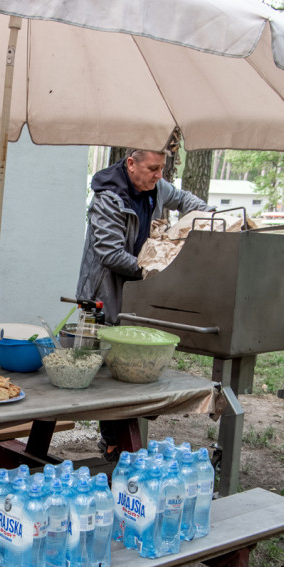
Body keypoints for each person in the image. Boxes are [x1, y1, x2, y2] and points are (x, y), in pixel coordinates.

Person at [75, 148, 212, 460]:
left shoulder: (157, 187)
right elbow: (109, 253)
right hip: (101, 294)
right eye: (153, 168)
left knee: (133, 365)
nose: (159, 175)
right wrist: (155, 269)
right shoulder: (108, 198)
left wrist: (208, 222)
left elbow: (192, 203)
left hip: (138, 289)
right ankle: (111, 442)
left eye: (162, 168)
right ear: (131, 164)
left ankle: (124, 440)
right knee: (101, 370)